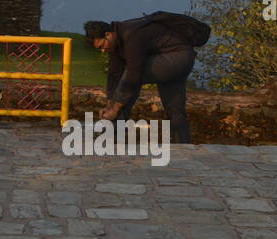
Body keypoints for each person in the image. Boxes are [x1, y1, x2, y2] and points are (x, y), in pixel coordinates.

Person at [84, 15, 197, 143]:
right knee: (174, 108)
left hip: (178, 57)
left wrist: (114, 108)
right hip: (181, 59)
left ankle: (111, 133)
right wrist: (110, 102)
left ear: (108, 34)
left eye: (101, 46)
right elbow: (114, 74)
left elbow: (133, 74)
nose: (103, 50)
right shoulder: (117, 40)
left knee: (133, 75)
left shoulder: (132, 35)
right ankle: (183, 146)